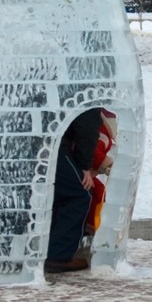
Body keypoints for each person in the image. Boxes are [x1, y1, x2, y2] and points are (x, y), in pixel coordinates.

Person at [45, 108, 103, 274]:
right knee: (80, 193)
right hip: (53, 146)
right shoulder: (87, 89)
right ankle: (58, 256)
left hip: (34, 142)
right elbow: (86, 129)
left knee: (54, 193)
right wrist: (84, 165)